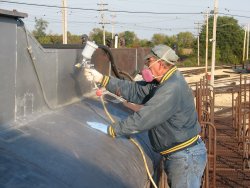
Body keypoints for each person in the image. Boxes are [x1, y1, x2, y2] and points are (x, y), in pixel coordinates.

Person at [84, 44, 207, 188]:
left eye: (149, 63)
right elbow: (136, 90)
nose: (146, 68)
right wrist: (103, 79)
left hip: (185, 157)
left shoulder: (171, 88)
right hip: (180, 155)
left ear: (160, 63)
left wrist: (114, 130)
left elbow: (145, 118)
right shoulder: (162, 81)